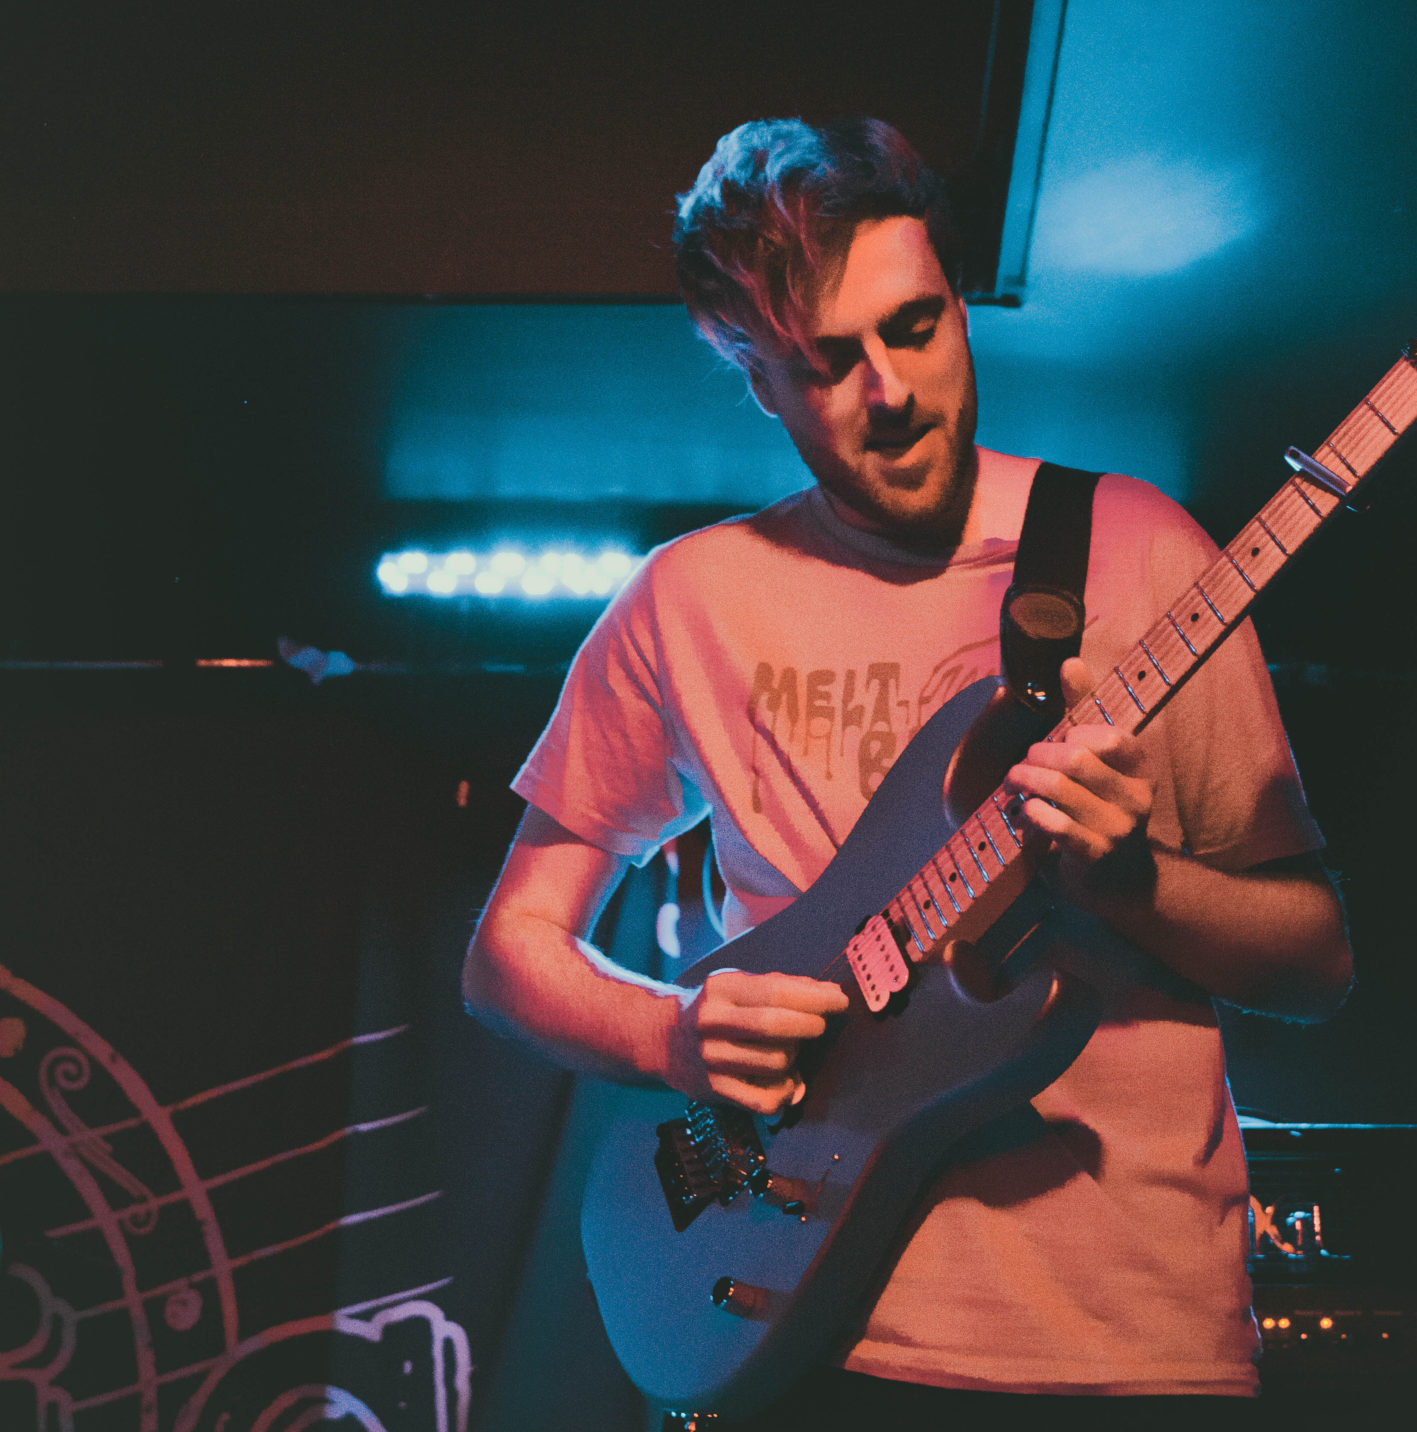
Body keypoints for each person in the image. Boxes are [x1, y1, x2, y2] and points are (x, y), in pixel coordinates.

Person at [463, 118, 1352, 1425]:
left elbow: (1317, 964)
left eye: (917, 327)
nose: (891, 390)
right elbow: (509, 953)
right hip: (808, 1341)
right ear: (759, 380)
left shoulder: (1143, 552)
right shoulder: (688, 600)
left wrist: (1131, 883)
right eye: (828, 362)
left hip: (1132, 1342)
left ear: (956, 304)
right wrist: (671, 1033)